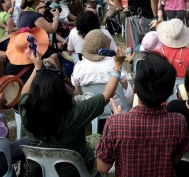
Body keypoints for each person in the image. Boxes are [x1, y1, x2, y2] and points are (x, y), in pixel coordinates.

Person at [20, 45, 126, 176]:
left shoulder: (26, 107)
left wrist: (37, 67)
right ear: (61, 91)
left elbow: (24, 93)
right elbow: (106, 95)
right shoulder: (75, 113)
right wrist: (118, 65)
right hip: (75, 170)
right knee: (97, 138)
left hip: (42, 170)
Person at [96, 52, 189, 176]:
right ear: (170, 92)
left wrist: (117, 120)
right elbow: (175, 160)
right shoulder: (179, 122)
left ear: (134, 88)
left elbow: (102, 168)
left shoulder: (115, 124)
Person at [71, 29, 133, 105]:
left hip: (92, 106)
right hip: (118, 106)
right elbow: (125, 86)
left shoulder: (79, 67)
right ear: (105, 48)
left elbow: (79, 91)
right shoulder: (115, 64)